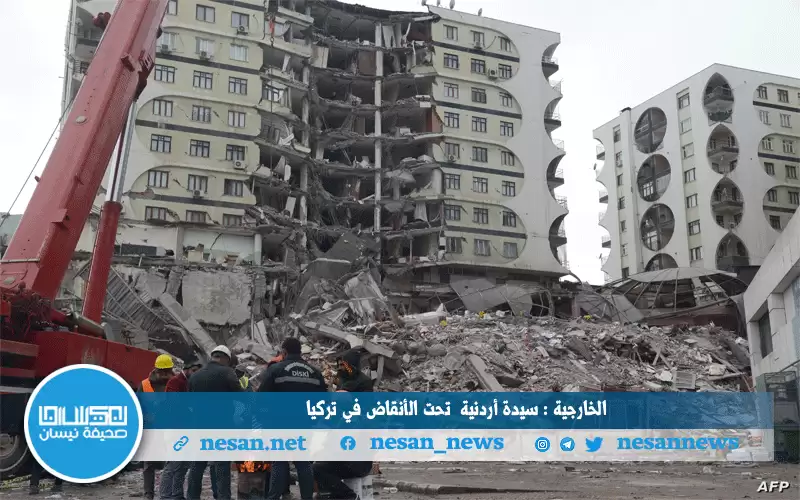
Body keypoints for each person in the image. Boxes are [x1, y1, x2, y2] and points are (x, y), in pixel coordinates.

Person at [259, 338, 327, 500]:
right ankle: (306, 497)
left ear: (284, 352)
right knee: (303, 463)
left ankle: (274, 497)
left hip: (279, 423)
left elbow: (261, 398)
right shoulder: (314, 372)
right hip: (304, 424)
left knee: (279, 463)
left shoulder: (276, 369)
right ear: (300, 351)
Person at [313, 350, 374, 500]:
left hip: (356, 461)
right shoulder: (342, 381)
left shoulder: (363, 384)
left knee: (320, 466)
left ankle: (350, 497)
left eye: (344, 364)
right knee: (318, 467)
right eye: (339, 364)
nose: (341, 367)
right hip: (348, 457)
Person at [186, 346, 242, 500]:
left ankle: (192, 497)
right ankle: (223, 497)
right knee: (222, 465)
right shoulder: (227, 372)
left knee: (197, 465)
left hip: (199, 426)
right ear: (226, 359)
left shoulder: (195, 376)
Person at [159, 357, 202, 500]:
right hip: (175, 428)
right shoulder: (175, 382)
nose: (196, 374)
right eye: (194, 371)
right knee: (173, 464)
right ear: (187, 370)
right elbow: (175, 405)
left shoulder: (191, 382)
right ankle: (165, 496)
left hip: (186, 428)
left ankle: (177, 494)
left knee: (183, 465)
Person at [138, 354, 175, 499]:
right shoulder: (145, 385)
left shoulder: (175, 383)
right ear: (156, 370)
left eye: (168, 372)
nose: (165, 375)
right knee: (149, 464)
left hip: (170, 428)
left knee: (171, 463)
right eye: (163, 372)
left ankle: (168, 493)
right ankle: (148, 494)